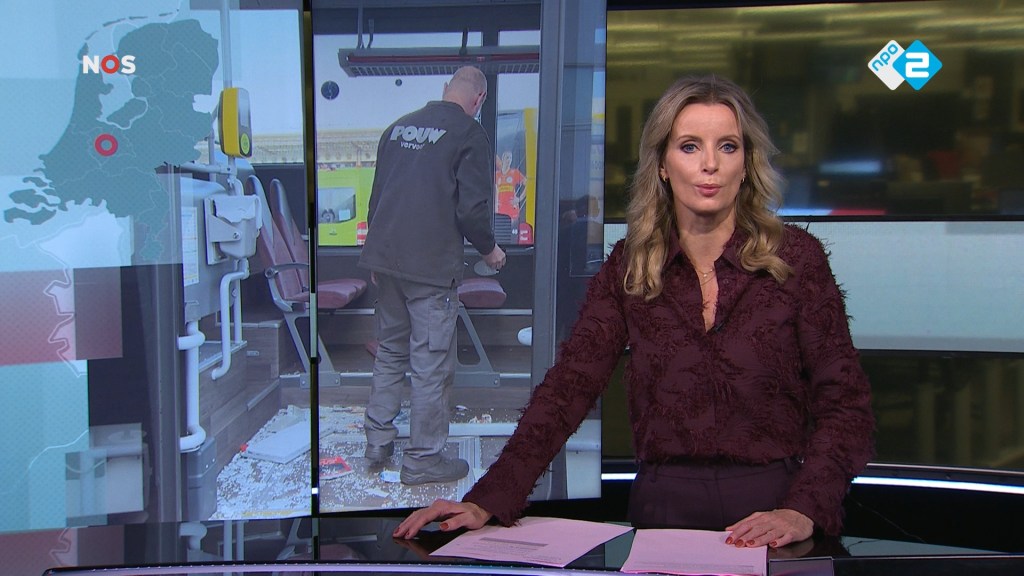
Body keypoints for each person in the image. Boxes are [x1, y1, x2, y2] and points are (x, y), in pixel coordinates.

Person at [394, 75, 874, 546]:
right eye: (689, 146)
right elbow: (568, 389)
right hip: (664, 511)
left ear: (746, 163)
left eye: (727, 147)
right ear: (662, 164)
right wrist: (489, 498)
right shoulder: (631, 265)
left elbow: (845, 402)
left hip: (773, 509)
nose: (710, 164)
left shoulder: (797, 260)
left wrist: (804, 508)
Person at [359, 66, 506, 485]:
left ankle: (377, 443)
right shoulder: (469, 134)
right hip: (430, 269)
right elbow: (471, 210)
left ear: (445, 89)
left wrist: (377, 258)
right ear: (479, 99)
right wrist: (490, 250)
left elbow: (376, 198)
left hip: (387, 260)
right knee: (430, 364)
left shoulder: (396, 128)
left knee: (391, 351)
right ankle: (423, 459)